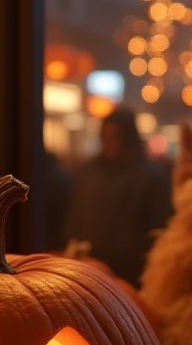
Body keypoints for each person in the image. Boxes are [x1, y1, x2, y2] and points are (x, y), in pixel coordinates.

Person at [63, 107, 172, 287]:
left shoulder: (152, 177)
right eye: (106, 137)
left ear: (128, 139)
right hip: (90, 268)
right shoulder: (89, 173)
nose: (110, 143)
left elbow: (160, 229)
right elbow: (76, 216)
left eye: (115, 138)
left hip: (132, 274)